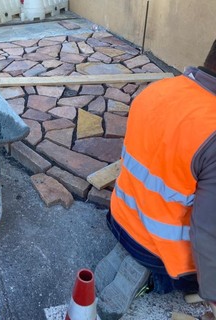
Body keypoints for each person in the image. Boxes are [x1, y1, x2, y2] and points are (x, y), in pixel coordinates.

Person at [95, 40, 216, 319]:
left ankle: (126, 257)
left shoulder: (157, 90)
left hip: (121, 217)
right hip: (160, 251)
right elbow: (209, 234)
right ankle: (150, 277)